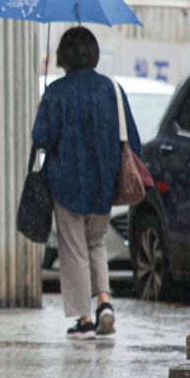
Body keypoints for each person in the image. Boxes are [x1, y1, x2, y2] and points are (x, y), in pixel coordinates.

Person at [32, 26, 141, 339]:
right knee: (96, 244)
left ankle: (83, 320)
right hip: (103, 185)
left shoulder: (56, 91)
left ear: (63, 56)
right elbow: (131, 139)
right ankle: (104, 302)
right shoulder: (111, 89)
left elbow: (42, 138)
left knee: (74, 248)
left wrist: (43, 111)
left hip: (66, 183)